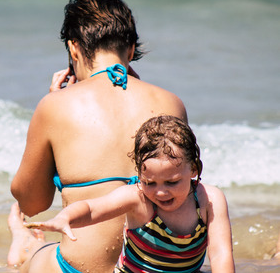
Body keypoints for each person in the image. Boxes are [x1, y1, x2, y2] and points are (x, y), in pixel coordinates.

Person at [8, 0, 188, 273]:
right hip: (160, 269)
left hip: (81, 269)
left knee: (34, 258)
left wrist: (51, 110)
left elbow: (32, 202)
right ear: (130, 50)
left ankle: (24, 245)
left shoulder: (55, 106)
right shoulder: (171, 102)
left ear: (74, 49)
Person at [26, 115, 235, 273]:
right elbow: (92, 208)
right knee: (24, 257)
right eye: (149, 182)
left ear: (194, 170)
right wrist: (66, 217)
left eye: (172, 182)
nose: (161, 192)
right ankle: (25, 240)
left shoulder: (209, 200)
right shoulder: (138, 199)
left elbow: (220, 254)